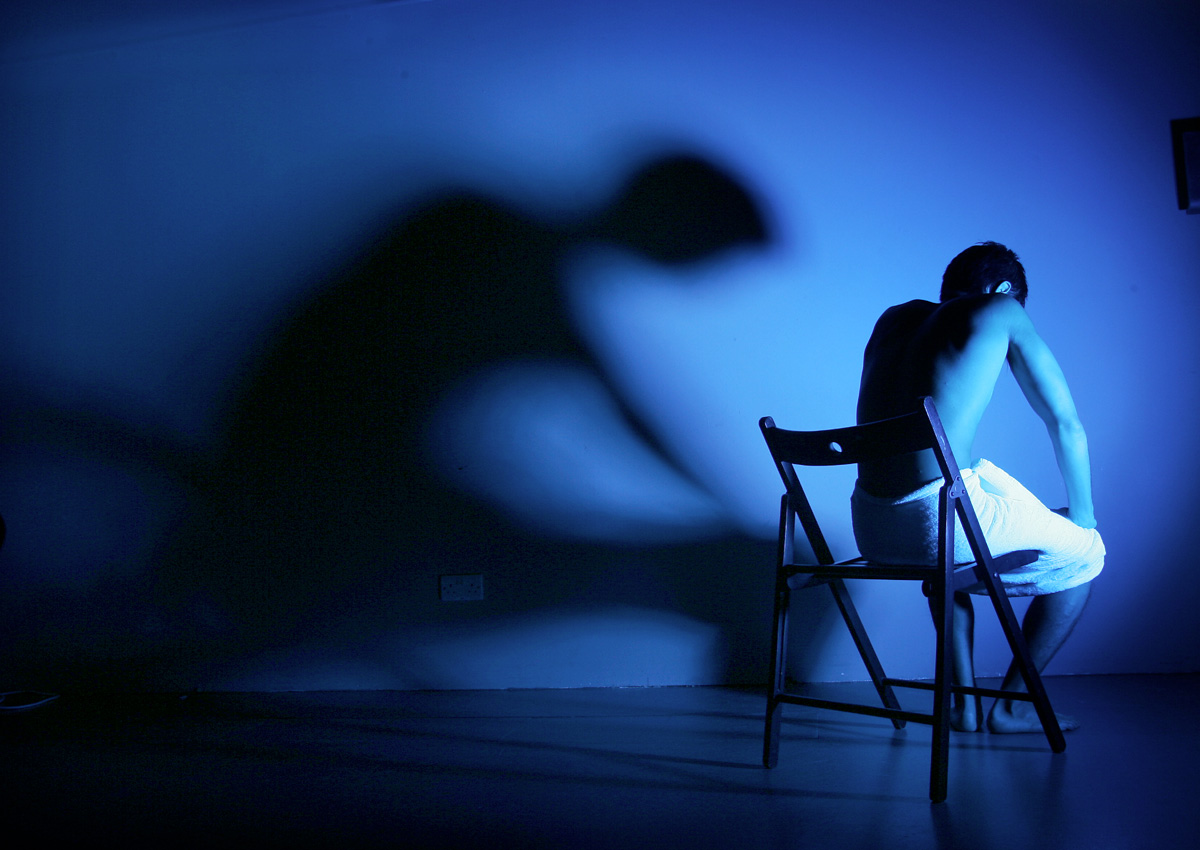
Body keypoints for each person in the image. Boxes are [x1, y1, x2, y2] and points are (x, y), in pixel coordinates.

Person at [850, 241, 1104, 733]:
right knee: (1087, 554)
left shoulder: (894, 319)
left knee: (958, 541)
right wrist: (1084, 516)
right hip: (937, 523)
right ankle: (1011, 707)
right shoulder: (1000, 309)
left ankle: (961, 705)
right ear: (1004, 290)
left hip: (873, 525)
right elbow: (1066, 424)